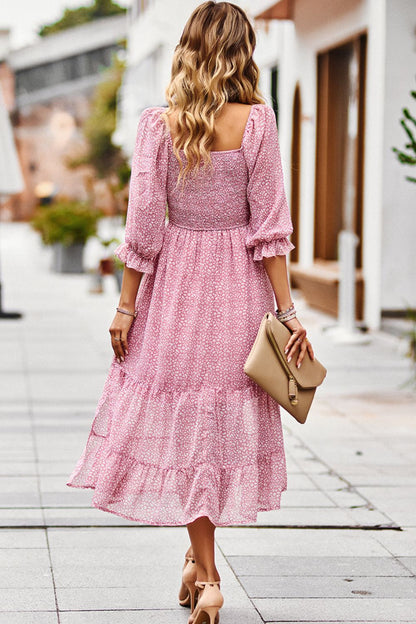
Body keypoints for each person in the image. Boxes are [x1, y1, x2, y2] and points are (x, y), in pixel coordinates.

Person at [66, 2, 314, 623]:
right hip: (238, 288)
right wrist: (286, 312)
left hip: (174, 288)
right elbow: (271, 230)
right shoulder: (258, 123)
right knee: (210, 424)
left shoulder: (159, 125)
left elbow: (144, 226)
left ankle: (205, 577)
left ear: (189, 49)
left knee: (187, 423)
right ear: (243, 52)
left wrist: (126, 307)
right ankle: (200, 568)